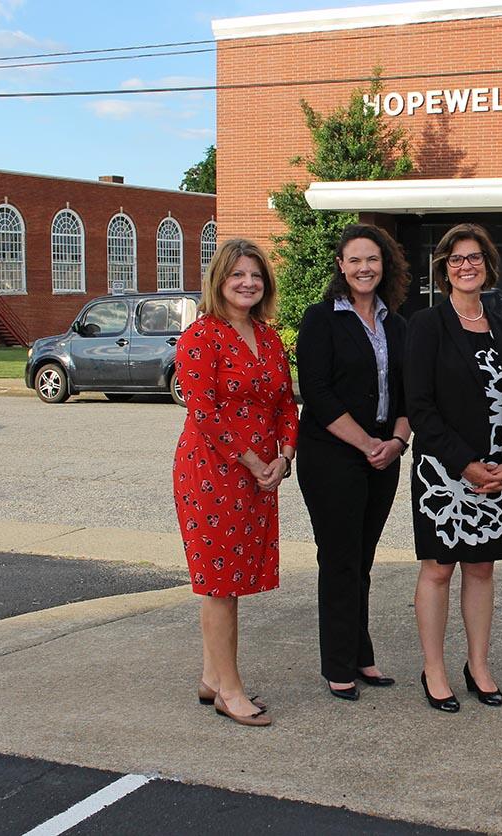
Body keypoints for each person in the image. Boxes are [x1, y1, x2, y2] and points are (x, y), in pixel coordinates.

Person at [405, 223, 502, 713]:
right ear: (444, 268)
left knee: (481, 567)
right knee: (439, 569)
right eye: (456, 258)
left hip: (498, 475)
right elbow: (420, 406)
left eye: (474, 257)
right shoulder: (426, 325)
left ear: (487, 264)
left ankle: (478, 665)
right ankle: (434, 669)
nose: (466, 265)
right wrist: (465, 464)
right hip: (444, 475)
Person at [173, 238, 298, 728]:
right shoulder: (201, 337)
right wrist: (252, 460)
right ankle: (229, 689)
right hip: (211, 473)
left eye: (256, 275)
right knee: (219, 583)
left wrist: (283, 458)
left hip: (260, 476)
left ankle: (211, 676)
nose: (248, 283)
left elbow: (287, 403)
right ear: (219, 281)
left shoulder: (267, 338)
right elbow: (204, 411)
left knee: (233, 581)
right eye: (237, 275)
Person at [295, 224, 411, 701]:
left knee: (362, 560)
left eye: (373, 260)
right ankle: (338, 663)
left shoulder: (398, 324)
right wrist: (367, 443)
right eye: (355, 260)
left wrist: (398, 443)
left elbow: (410, 393)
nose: (365, 268)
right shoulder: (321, 319)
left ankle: (361, 655)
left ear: (385, 266)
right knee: (340, 559)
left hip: (385, 457)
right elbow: (317, 393)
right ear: (341, 266)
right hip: (333, 456)